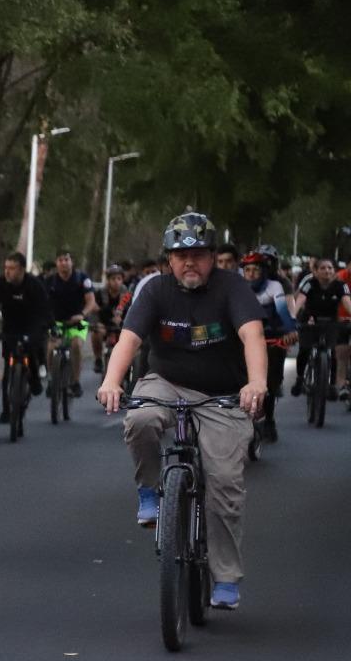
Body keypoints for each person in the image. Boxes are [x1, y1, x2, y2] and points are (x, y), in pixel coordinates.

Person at [97, 212, 267, 610]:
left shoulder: (232, 287)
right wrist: (110, 381)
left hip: (222, 394)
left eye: (199, 254)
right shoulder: (154, 290)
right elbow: (129, 340)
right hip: (167, 382)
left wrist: (256, 382)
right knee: (139, 417)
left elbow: (252, 335)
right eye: (180, 255)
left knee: (225, 482)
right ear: (168, 260)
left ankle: (224, 577)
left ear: (211, 257)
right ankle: (148, 490)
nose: (190, 262)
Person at [0, 251, 49, 423]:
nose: (7, 272)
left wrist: (49, 326)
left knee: (32, 348)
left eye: (12, 269)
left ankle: (35, 379)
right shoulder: (1, 283)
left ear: (21, 270)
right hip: (10, 327)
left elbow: (45, 308)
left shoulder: (34, 285)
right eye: (6, 268)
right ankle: (6, 410)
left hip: (31, 325)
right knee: (7, 371)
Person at [241, 250, 294, 442]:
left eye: (256, 270)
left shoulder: (275, 286)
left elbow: (283, 311)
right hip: (244, 338)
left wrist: (290, 331)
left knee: (271, 383)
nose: (252, 274)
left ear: (264, 271)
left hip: (271, 337)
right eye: (248, 270)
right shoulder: (238, 288)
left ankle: (269, 418)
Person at [290, 256, 350, 400]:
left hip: (332, 322)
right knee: (304, 349)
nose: (326, 271)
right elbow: (300, 302)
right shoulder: (309, 284)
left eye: (330, 268)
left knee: (333, 351)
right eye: (322, 268)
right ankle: (299, 379)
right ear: (316, 271)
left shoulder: (340, 285)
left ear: (334, 271)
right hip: (310, 320)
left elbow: (347, 303)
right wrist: (292, 318)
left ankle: (331, 386)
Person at [42, 249, 98, 391]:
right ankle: (50, 378)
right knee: (51, 347)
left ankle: (76, 381)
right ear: (56, 263)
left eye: (66, 260)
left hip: (77, 321)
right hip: (57, 323)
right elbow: (42, 303)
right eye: (60, 260)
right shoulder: (49, 281)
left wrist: (82, 314)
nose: (64, 263)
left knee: (76, 345)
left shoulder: (82, 279)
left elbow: (91, 302)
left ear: (71, 262)